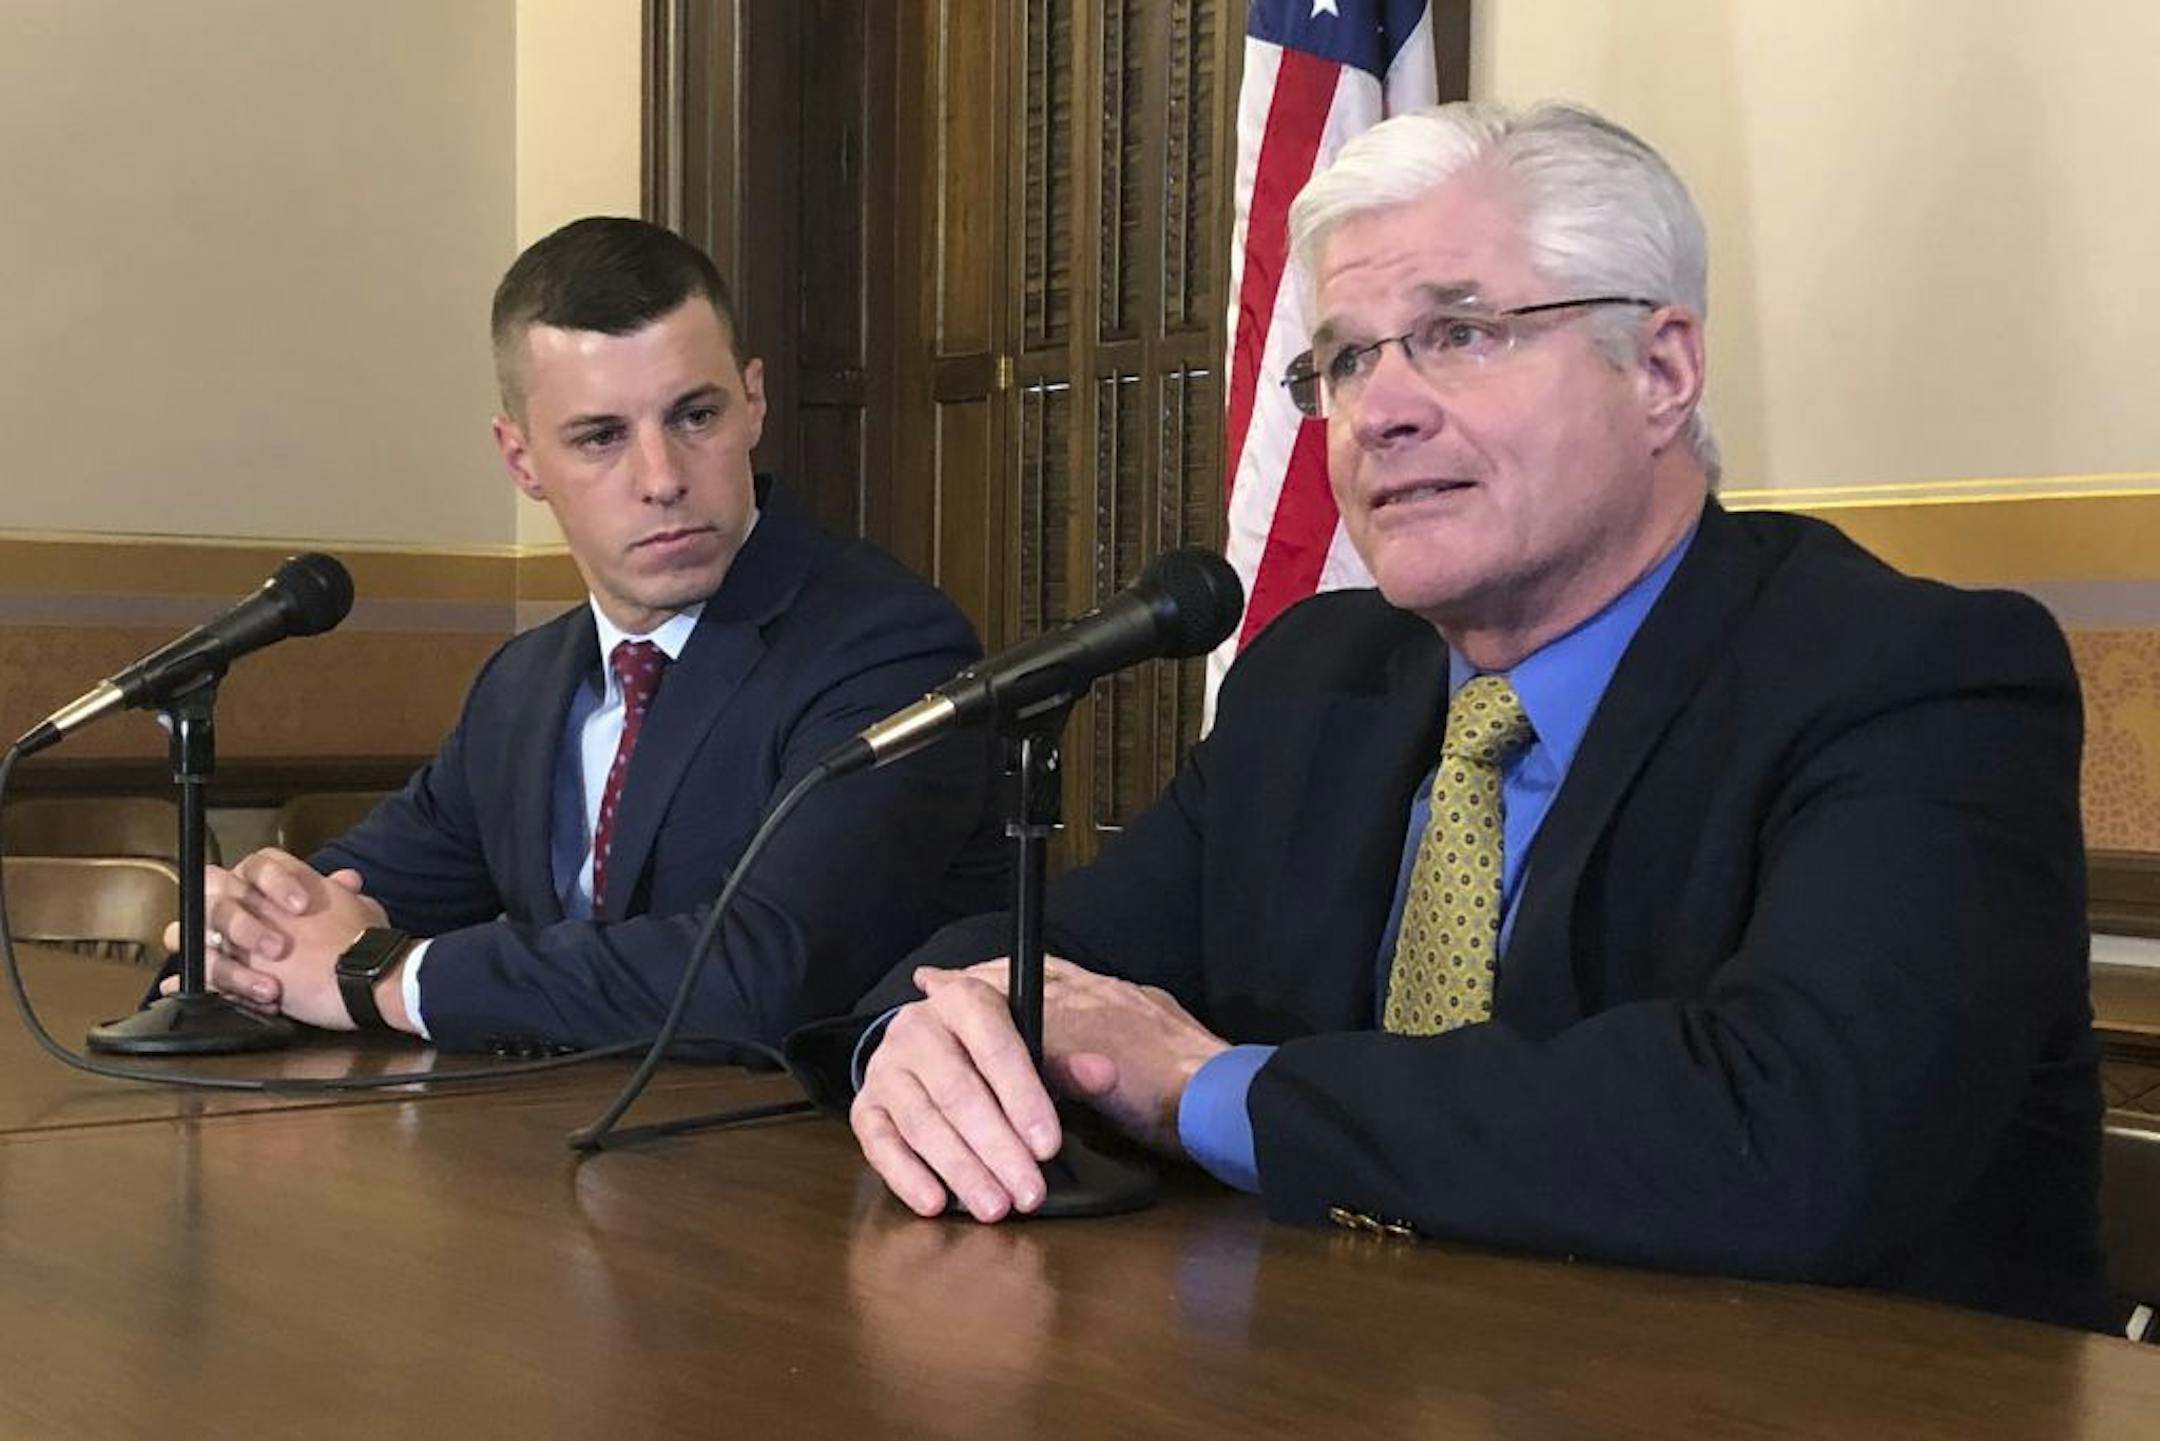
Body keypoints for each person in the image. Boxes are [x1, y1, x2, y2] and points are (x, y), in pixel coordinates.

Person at [815, 102, 2111, 1331]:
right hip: (1341, 1373)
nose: (1379, 410)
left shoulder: (1911, 677)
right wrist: (928, 1035)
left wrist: (1203, 1088)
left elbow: (1796, 1132)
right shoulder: (1315, 676)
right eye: (1342, 359)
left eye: (1459, 334)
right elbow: (1056, 959)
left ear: (1660, 369)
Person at [166, 216, 1005, 1054]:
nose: (663, 478)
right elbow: (343, 901)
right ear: (521, 459)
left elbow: (762, 976)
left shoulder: (888, 647)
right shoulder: (521, 685)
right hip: (552, 1152)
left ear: (753, 402)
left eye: (695, 416)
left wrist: (385, 976)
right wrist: (246, 936)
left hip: (811, 1168)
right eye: (602, 436)